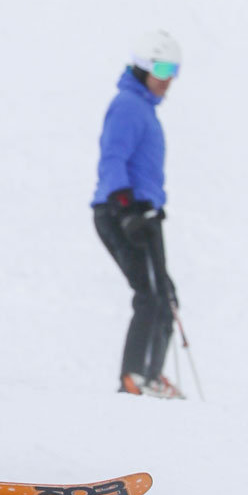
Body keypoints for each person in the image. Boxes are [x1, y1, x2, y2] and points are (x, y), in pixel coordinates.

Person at [92, 31, 183, 398]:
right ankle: (136, 377)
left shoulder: (143, 108)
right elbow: (112, 158)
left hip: (143, 212)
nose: (168, 78)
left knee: (165, 294)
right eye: (161, 68)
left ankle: (149, 375)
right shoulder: (128, 105)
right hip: (125, 211)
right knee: (151, 294)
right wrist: (126, 208)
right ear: (143, 67)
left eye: (173, 69)